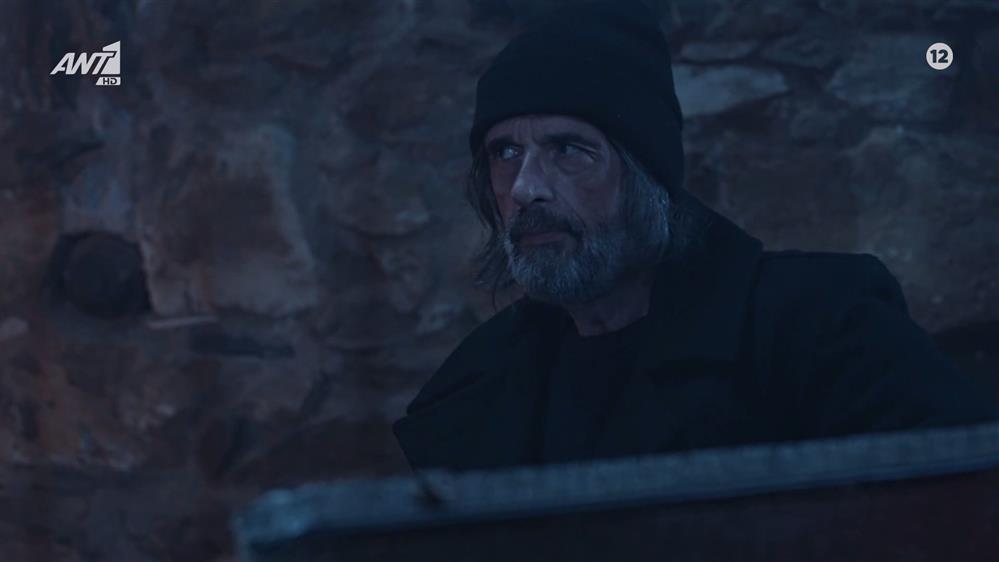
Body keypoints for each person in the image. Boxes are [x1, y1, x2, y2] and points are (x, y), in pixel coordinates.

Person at [392, 1, 998, 471]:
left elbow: (962, 504)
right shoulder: (477, 388)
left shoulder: (821, 328)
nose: (526, 188)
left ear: (645, 176)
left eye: (569, 149)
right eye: (505, 153)